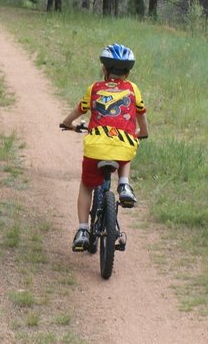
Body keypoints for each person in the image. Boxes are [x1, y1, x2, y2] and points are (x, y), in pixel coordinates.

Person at [60, 43, 149, 252]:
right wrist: (142, 133)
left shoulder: (94, 89)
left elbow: (76, 113)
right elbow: (141, 115)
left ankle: (82, 230)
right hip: (122, 146)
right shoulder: (133, 89)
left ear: (104, 70)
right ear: (128, 72)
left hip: (96, 146)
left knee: (86, 185)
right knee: (128, 147)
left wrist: (67, 124)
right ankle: (124, 185)